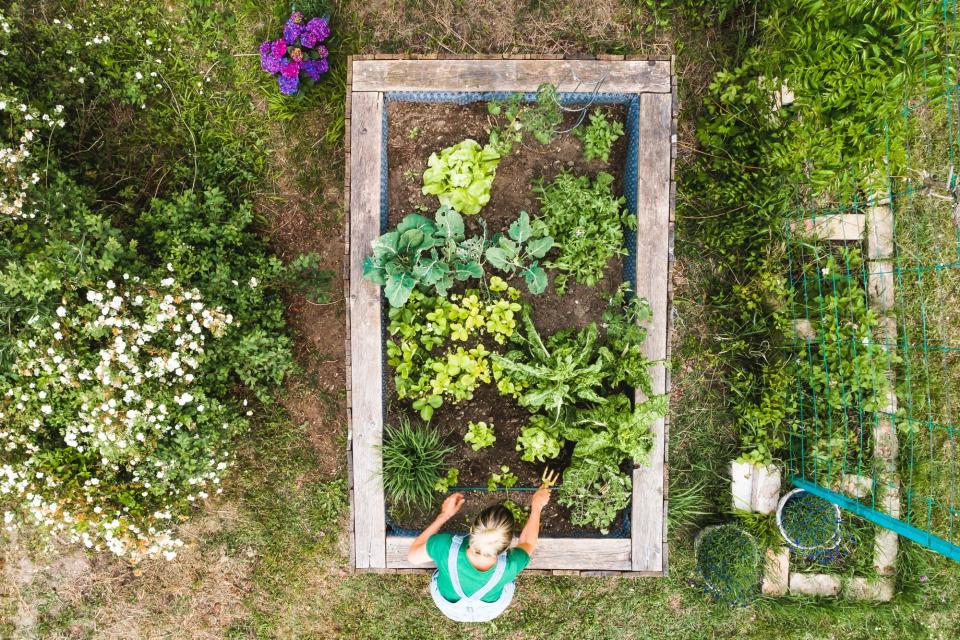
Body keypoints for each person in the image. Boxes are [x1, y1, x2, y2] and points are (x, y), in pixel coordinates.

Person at [406, 484, 551, 623]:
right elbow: (528, 543)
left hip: (450, 607)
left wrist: (444, 515)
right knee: (507, 583)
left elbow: (413, 557)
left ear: (471, 530)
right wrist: (537, 507)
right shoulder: (511, 565)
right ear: (506, 547)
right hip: (489, 611)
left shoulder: (445, 547)